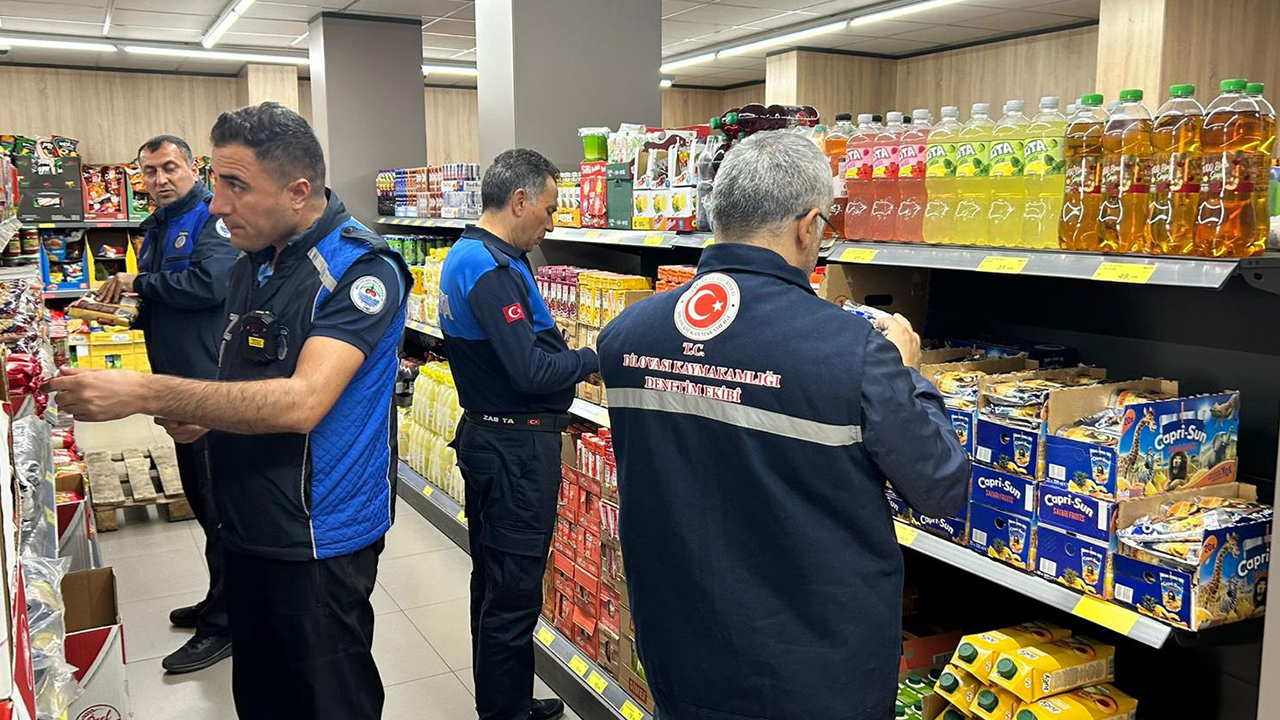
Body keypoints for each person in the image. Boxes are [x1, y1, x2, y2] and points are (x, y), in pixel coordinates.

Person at [50, 102, 409, 720]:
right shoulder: (255, 261)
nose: (216, 205)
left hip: (316, 536)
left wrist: (148, 392)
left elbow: (301, 401)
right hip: (247, 522)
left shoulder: (361, 268)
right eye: (216, 182)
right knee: (262, 695)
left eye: (235, 186)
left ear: (298, 192)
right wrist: (208, 415)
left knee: (328, 701)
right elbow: (251, 375)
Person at [596, 131, 970, 720]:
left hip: (678, 651)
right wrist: (907, 375)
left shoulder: (625, 337)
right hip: (813, 672)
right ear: (809, 226)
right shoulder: (853, 354)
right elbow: (942, 487)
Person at [439, 148, 598, 720]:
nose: (552, 223)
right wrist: (589, 357)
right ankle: (505, 714)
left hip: (490, 440)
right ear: (520, 200)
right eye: (550, 210)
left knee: (493, 580)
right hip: (513, 452)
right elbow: (530, 371)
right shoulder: (491, 268)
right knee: (512, 593)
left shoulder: (466, 254)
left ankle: (504, 701)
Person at [95, 134, 238, 674]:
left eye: (170, 167)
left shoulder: (209, 219)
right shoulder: (155, 227)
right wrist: (126, 310)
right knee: (203, 503)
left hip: (210, 392)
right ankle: (218, 600)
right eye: (150, 171)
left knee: (220, 510)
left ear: (192, 168)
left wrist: (139, 281)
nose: (160, 179)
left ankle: (226, 624)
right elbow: (168, 300)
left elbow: (209, 284)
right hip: (178, 385)